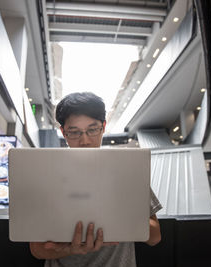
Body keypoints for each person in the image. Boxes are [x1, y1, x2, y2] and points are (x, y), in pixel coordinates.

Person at [30, 92, 162, 267]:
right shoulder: (47, 176)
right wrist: (70, 249)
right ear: (63, 132)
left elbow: (155, 237)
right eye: (74, 132)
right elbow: (37, 250)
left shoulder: (128, 170)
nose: (85, 140)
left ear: (104, 126)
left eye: (92, 130)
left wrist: (119, 211)